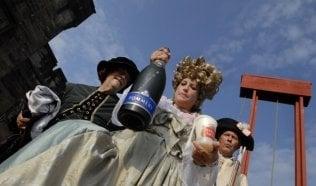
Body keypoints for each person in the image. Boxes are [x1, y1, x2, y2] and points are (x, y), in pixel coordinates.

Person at [0, 50, 223, 186]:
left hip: (162, 172)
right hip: (128, 153)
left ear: (200, 95)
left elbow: (198, 168)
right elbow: (122, 114)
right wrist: (156, 65)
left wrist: (206, 159)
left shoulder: (202, 123)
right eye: (183, 83)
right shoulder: (158, 102)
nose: (186, 89)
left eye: (193, 87)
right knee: (76, 135)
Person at [0, 57, 139, 163]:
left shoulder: (118, 112)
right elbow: (41, 106)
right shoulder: (73, 88)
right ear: (107, 72)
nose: (123, 77)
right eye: (121, 72)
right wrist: (23, 116)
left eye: (127, 78)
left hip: (69, 159)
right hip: (35, 142)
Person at [194, 117, 254, 186]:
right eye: (227, 135)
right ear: (218, 138)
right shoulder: (202, 155)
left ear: (238, 146)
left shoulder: (240, 177)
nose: (229, 139)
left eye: (234, 137)